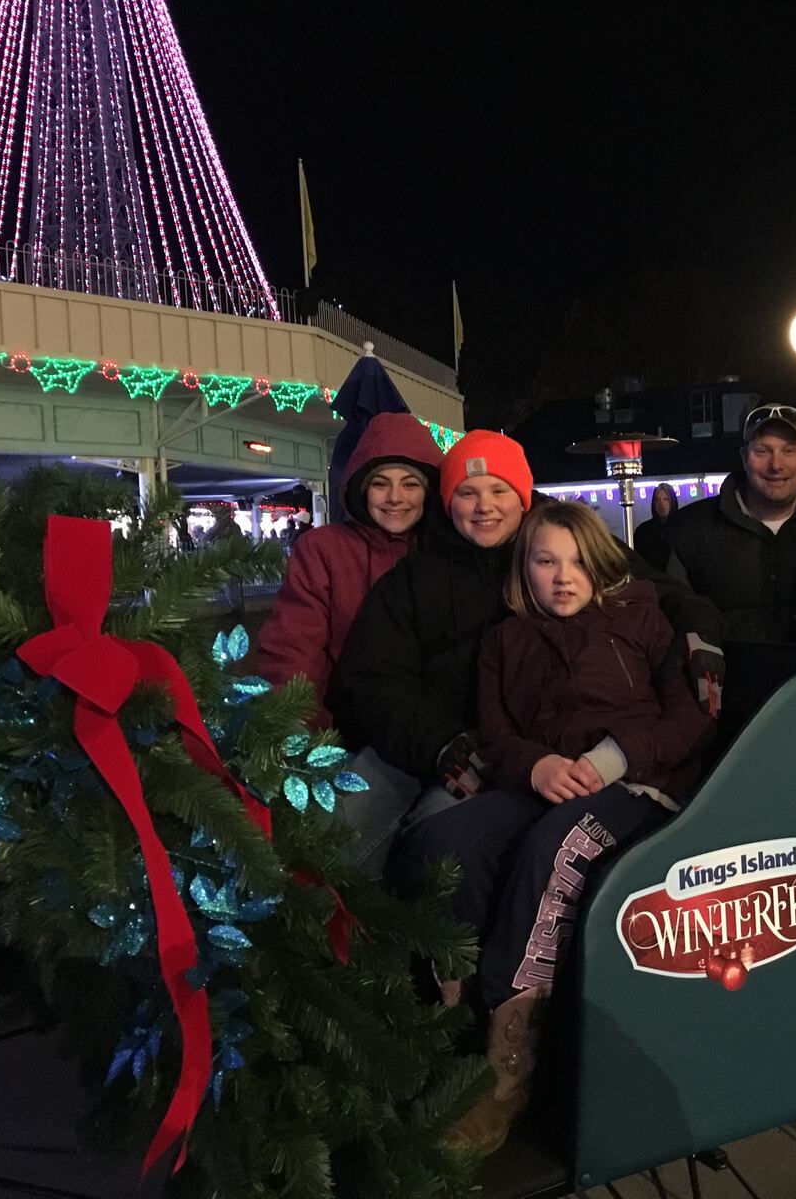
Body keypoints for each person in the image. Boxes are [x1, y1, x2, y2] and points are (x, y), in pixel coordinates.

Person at [388, 500, 713, 1153]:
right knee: (440, 842)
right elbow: (498, 731)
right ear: (524, 571)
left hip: (633, 783)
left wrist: (612, 757)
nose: (563, 577)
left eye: (577, 563)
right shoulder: (505, 642)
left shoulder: (639, 621)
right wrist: (535, 766)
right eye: (545, 561)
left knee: (556, 849)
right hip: (542, 780)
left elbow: (688, 718)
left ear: (598, 569)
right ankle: (456, 1031)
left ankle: (511, 1066)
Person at [326, 430, 715, 873]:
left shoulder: (559, 547)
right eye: (467, 493)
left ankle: (441, 938)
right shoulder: (413, 580)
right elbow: (373, 679)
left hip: (515, 753)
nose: (484, 506)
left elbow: (665, 593)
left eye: (499, 491)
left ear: (522, 496)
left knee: (442, 843)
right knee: (339, 830)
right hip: (431, 744)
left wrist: (701, 635)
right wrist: (438, 743)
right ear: (448, 500)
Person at [253, 412, 443, 730]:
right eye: (380, 484)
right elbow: (294, 647)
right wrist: (299, 729)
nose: (395, 497)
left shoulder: (442, 549)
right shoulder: (324, 549)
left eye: (410, 484)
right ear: (362, 489)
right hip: (346, 729)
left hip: (432, 729)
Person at [665, 403, 796, 645]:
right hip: (726, 680)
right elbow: (670, 607)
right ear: (744, 457)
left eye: (788, 451)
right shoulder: (691, 528)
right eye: (763, 451)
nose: (776, 465)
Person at [631, 481, 677, 570]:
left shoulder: (682, 529)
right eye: (657, 500)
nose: (661, 504)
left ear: (672, 501)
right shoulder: (643, 532)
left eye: (665, 499)